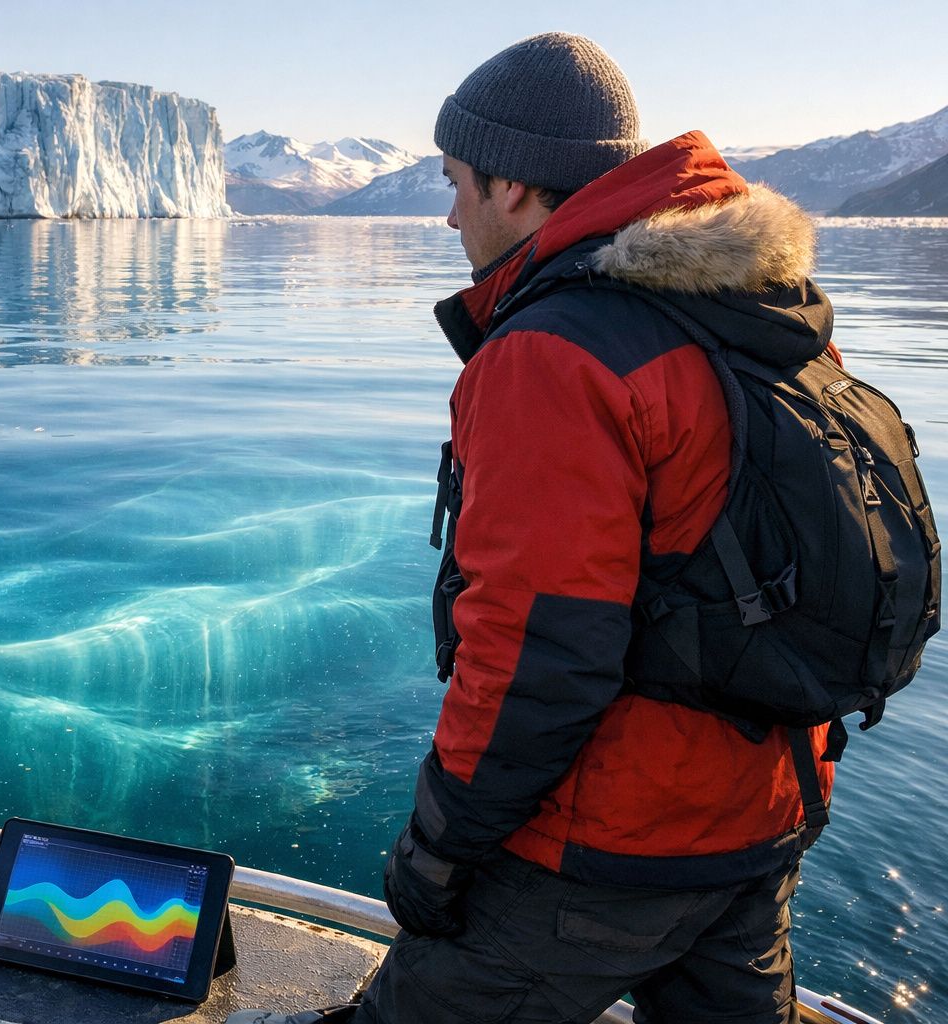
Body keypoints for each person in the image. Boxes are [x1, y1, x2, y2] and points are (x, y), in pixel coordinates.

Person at [232, 32, 839, 1024]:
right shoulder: (752, 307)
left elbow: (538, 648)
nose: (447, 209)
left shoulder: (555, 354)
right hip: (764, 808)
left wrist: (437, 841)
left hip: (616, 839)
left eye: (455, 180)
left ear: (513, 186)